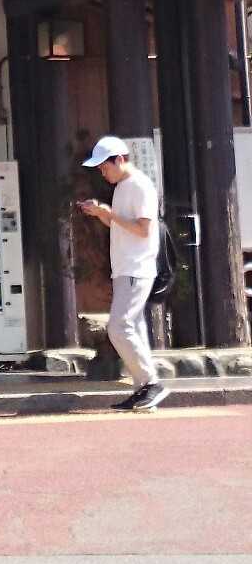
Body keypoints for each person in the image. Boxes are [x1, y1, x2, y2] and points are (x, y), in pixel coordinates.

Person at [79, 134, 167, 413]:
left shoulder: (139, 185)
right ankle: (144, 388)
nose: (102, 172)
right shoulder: (123, 187)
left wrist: (110, 214)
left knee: (119, 327)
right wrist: (101, 213)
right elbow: (123, 225)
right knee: (133, 328)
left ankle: (151, 383)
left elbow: (143, 229)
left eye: (104, 167)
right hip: (126, 268)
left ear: (119, 160)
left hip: (135, 267)